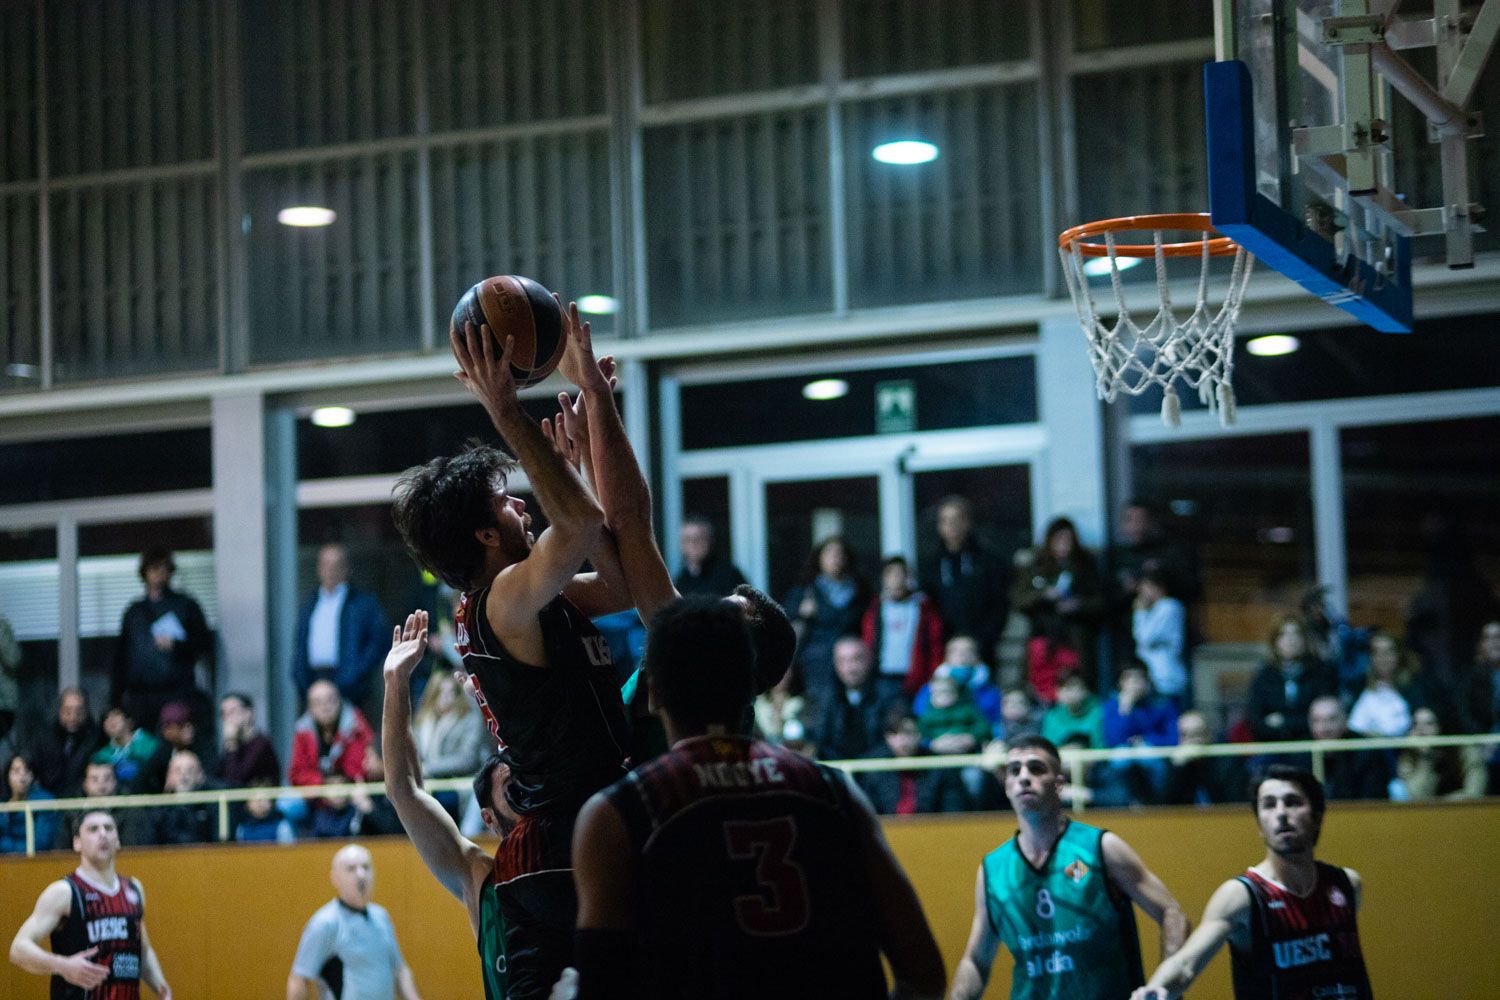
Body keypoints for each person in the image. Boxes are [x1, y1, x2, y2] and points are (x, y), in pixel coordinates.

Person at [390, 307, 638, 1000]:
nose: (524, 508)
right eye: (508, 501)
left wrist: (584, 460)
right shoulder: (502, 599)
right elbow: (584, 524)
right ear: (485, 534)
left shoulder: (524, 596)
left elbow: (619, 581)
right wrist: (506, 412)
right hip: (561, 846)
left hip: (564, 839)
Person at [568, 595, 948, 999]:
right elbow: (925, 976)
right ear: (751, 685)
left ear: (654, 692)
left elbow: (601, 987)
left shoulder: (617, 813)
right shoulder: (834, 792)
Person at [951, 735, 1189, 1000]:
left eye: (1036, 768)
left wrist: (1164, 987)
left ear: (1059, 784)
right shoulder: (992, 870)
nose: (1024, 777)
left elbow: (1172, 914)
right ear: (1007, 786)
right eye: (1014, 770)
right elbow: (976, 961)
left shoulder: (1100, 848)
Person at [1129, 766, 1373, 1000]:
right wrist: (1154, 989)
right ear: (1259, 825)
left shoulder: (1347, 885)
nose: (1281, 813)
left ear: (1317, 816)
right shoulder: (1242, 895)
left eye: (1292, 802)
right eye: (1269, 805)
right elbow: (1186, 964)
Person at [382, 610, 521, 1000]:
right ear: (489, 819)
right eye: (511, 785)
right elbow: (404, 791)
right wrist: (396, 682)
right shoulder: (480, 878)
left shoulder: (574, 842)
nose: (523, 789)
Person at [8, 809, 172, 999]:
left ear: (117, 840)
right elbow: (18, 948)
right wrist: (62, 965)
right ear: (77, 843)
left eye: (109, 828)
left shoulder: (134, 889)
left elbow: (143, 950)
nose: (103, 834)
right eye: (93, 829)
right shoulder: (65, 892)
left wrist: (161, 987)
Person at [288, 844, 421, 1000]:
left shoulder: (381, 916)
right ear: (335, 878)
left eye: (366, 867)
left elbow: (400, 971)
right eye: (351, 869)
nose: (361, 874)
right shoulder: (325, 923)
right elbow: (299, 979)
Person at [110, 547, 212, 734]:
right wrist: (116, 700)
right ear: (145, 572)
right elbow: (121, 657)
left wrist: (178, 645)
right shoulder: (135, 612)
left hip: (176, 691)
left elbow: (204, 643)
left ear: (170, 572)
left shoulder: (186, 605)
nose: (159, 574)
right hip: (140, 695)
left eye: (164, 569)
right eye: (154, 568)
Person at [1012, 517, 1105, 700]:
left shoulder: (1085, 565)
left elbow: (1100, 601)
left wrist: (1078, 604)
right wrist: (1043, 595)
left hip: (1075, 639)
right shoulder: (1036, 566)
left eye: (1068, 540)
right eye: (1059, 540)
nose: (1064, 546)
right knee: (1043, 690)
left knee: (1075, 689)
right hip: (1043, 639)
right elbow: (1018, 599)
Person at [291, 543, 390, 711]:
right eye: (325, 565)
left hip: (350, 684)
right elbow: (300, 641)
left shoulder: (362, 603)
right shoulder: (310, 601)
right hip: (313, 681)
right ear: (318, 568)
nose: (330, 571)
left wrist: (356, 673)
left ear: (347, 569)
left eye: (336, 565)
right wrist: (300, 676)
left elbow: (379, 641)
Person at [784, 535, 872, 717]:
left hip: (851, 662)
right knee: (821, 711)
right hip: (818, 664)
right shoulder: (805, 591)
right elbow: (786, 627)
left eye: (840, 554)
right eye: (830, 554)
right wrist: (801, 613)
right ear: (819, 559)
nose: (836, 559)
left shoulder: (860, 591)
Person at [921, 495, 1011, 662]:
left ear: (967, 522)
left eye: (956, 520)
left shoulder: (987, 562)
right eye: (945, 521)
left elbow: (999, 604)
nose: (951, 526)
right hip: (942, 649)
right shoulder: (931, 566)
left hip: (982, 648)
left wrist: (985, 640)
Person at [862, 705, 970, 816]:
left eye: (907, 733)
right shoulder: (875, 768)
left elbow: (954, 812)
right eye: (894, 734)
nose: (901, 741)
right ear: (886, 737)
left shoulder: (940, 767)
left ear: (919, 734)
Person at [1246, 617, 1337, 742]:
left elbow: (1325, 718)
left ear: (1304, 640)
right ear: (1275, 642)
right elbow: (1255, 719)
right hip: (1272, 745)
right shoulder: (1264, 676)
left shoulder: (1321, 673)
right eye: (1284, 635)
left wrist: (1283, 721)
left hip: (1311, 745)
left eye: (1296, 634)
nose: (1291, 640)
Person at [411, 668, 487, 815]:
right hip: (427, 785)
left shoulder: (469, 719)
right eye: (441, 692)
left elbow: (467, 760)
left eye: (450, 692)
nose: (445, 697)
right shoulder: (422, 722)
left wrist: (428, 768)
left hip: (459, 787)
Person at [812, 637, 888, 760]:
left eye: (856, 659)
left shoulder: (886, 695)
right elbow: (820, 740)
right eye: (843, 661)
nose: (850, 668)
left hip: (876, 771)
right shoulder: (826, 699)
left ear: (869, 660)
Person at [1303, 697, 1393, 801]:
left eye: (1331, 720)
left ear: (1345, 721)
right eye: (1317, 721)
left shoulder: (1366, 750)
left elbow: (1374, 800)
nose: (1324, 728)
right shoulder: (1299, 750)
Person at [1393, 706, 1487, 800]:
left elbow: (1474, 792)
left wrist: (1448, 801)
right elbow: (1415, 796)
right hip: (1427, 813)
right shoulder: (1409, 757)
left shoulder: (1465, 751)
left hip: (1463, 811)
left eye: (1429, 724)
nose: (1421, 731)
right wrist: (1426, 759)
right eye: (1416, 724)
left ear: (1441, 726)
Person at [55, 760, 153, 849]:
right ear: (85, 784)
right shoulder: (72, 812)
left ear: (115, 782)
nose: (101, 786)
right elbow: (60, 852)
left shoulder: (132, 811)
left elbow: (134, 851)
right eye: (94, 779)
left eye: (107, 779)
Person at [31, 687, 105, 799]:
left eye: (79, 711)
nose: (73, 717)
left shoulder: (97, 738)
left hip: (86, 802)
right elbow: (31, 764)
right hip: (49, 801)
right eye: (68, 711)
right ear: (60, 711)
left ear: (86, 712)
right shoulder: (44, 737)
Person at [1132, 569, 1189, 706]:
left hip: (1166, 678)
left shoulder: (1169, 606)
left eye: (1145, 587)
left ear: (1158, 587)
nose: (1142, 593)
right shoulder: (1155, 609)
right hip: (1153, 677)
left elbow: (1144, 637)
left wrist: (1140, 613)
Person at [1163, 710, 1244, 806]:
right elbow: (1162, 808)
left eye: (1197, 734)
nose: (1191, 741)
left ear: (1209, 735)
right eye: (1185, 735)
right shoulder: (1175, 763)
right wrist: (1177, 769)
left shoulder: (1227, 762)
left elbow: (1235, 804)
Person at [1347, 631, 1415, 737]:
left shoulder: (1414, 687)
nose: (1383, 658)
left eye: (1388, 652)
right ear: (1371, 657)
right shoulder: (1357, 687)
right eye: (1377, 652)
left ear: (1398, 654)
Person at [91, 705, 171, 795]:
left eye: (116, 715)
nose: (111, 720)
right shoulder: (101, 756)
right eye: (106, 718)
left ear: (129, 721)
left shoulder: (151, 744)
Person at [149, 750, 217, 847]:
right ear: (169, 777)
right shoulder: (158, 810)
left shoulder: (211, 806)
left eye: (190, 770)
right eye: (178, 771)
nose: (184, 776)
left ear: (200, 776)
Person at [215, 691, 281, 788]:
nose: (227, 718)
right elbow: (219, 778)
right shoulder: (231, 745)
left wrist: (232, 743)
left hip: (259, 801)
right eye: (224, 714)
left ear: (248, 713)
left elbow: (235, 781)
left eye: (232, 711)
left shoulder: (261, 744)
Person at [672, 516, 746, 597]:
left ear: (709, 541)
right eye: (687, 539)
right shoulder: (680, 582)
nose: (693, 544)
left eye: (698, 538)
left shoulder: (730, 575)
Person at [1, 753, 60, 854]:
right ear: (7, 775)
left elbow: (40, 844)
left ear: (32, 775)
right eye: (16, 771)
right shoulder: (3, 804)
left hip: (36, 862)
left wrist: (6, 847)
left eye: (27, 770)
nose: (22, 776)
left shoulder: (44, 802)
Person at [1040, 672, 1103, 749]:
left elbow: (1100, 746)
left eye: (1074, 687)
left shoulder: (1098, 712)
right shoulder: (1052, 716)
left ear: (1085, 690)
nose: (1070, 693)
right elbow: (1048, 749)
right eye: (1065, 688)